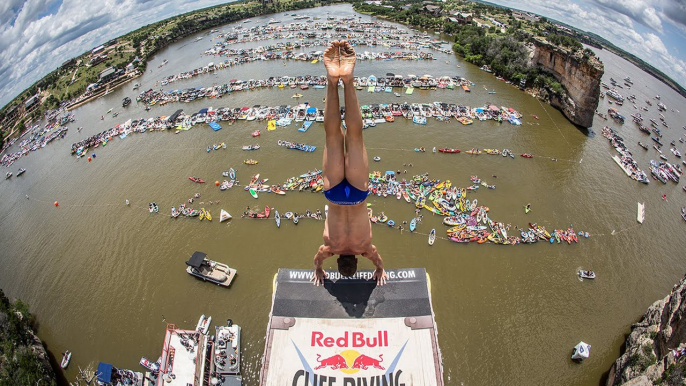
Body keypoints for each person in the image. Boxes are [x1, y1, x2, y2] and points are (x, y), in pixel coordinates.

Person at [311, 41, 386, 287]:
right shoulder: (329, 248)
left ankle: (348, 80)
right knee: (332, 135)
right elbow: (317, 258)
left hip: (357, 195)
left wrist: (380, 270)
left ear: (357, 260)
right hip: (334, 195)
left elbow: (377, 259)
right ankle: (333, 81)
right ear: (336, 261)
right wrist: (319, 270)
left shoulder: (365, 248)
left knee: (355, 134)